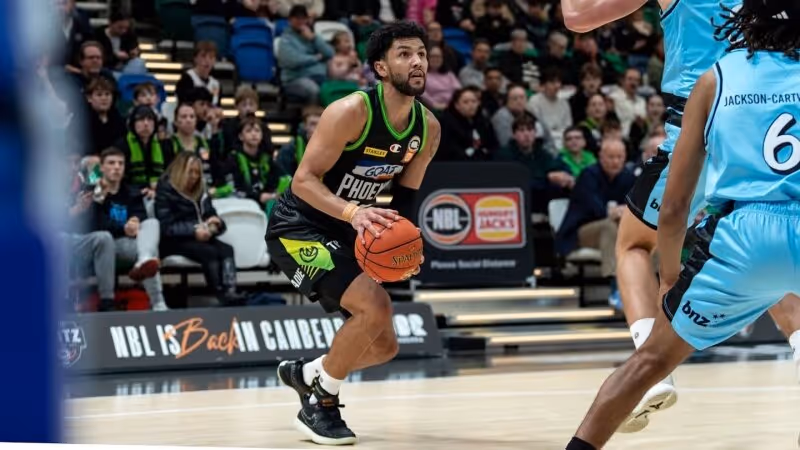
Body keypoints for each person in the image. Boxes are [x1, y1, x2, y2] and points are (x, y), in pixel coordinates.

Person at [566, 3, 800, 449]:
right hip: (769, 152)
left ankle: (650, 364)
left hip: (703, 120)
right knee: (775, 235)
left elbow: (578, 17)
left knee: (634, 244)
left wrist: (670, 276)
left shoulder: (719, 75)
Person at [265, 21, 440, 445]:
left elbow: (404, 202)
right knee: (374, 307)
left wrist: (403, 244)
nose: (416, 61)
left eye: (421, 52)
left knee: (384, 347)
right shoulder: (350, 112)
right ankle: (320, 403)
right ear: (380, 68)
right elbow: (303, 180)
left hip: (349, 228)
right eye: (404, 53)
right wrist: (353, 212)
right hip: (298, 225)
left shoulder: (427, 128)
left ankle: (307, 373)